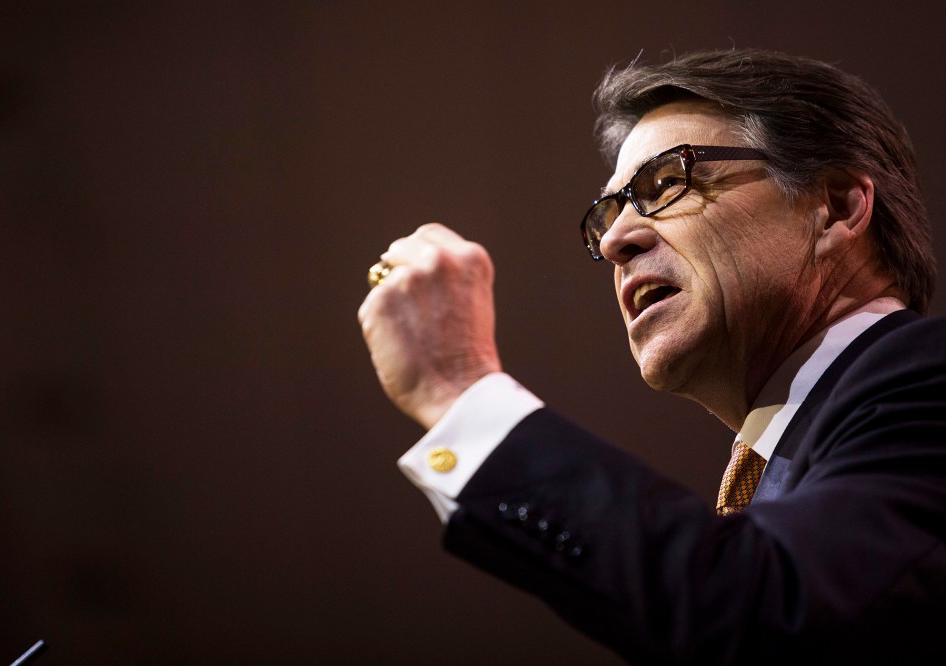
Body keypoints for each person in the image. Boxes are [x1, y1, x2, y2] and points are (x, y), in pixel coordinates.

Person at [357, 49, 946, 663]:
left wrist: (463, 391)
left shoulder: (930, 378)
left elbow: (776, 620)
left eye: (665, 184)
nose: (614, 240)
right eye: (607, 214)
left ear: (839, 206)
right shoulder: (800, 465)